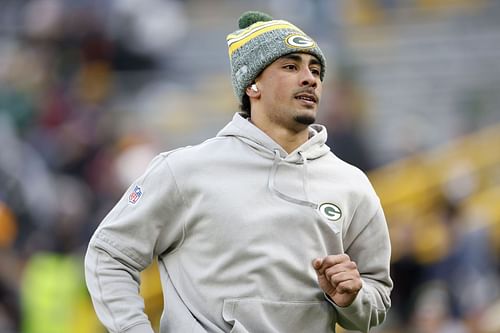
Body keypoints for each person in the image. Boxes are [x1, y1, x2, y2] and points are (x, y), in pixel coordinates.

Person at [85, 11, 393, 333]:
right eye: (291, 66)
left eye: (315, 70)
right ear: (252, 84)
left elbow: (377, 298)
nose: (310, 78)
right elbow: (110, 254)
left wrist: (352, 299)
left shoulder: (351, 183)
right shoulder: (185, 170)